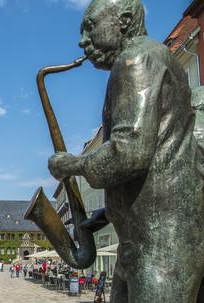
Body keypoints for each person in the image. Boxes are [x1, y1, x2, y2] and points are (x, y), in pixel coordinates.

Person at [48, 0, 204, 302]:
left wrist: (73, 165)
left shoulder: (136, 59)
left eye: (90, 27)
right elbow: (157, 168)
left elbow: (130, 151)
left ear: (125, 19)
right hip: (143, 243)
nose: (83, 41)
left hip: (160, 249)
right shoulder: (152, 58)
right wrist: (99, 218)